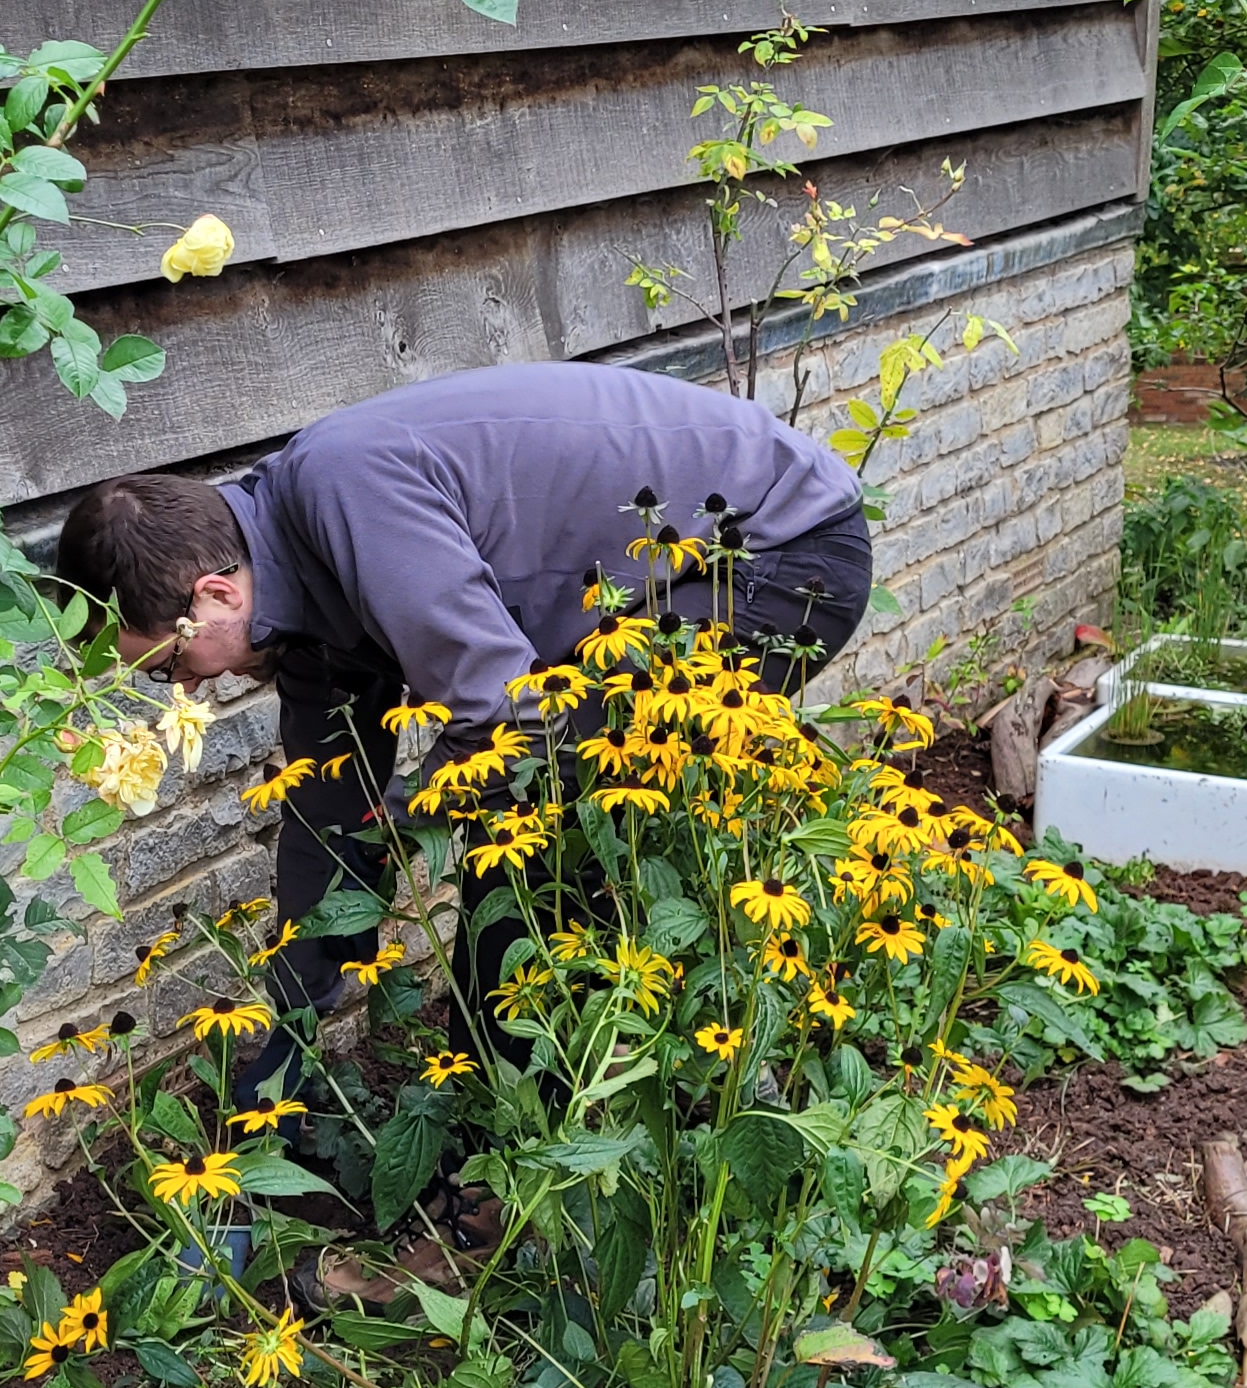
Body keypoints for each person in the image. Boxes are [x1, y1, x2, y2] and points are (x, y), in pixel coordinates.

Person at [53, 361, 878, 1086]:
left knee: (528, 827)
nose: (181, 690)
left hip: (776, 555)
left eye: (166, 666)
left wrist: (406, 825)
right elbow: (329, 816)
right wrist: (291, 1037)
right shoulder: (296, 596)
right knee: (541, 817)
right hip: (682, 576)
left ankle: (524, 1166)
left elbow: (502, 717)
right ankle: (627, 1080)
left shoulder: (347, 489)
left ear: (215, 596)